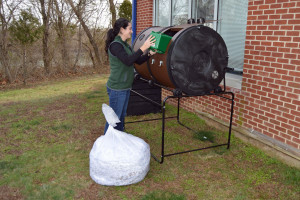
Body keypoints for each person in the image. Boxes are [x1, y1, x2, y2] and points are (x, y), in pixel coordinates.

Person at [104, 18, 156, 134]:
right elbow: (127, 61)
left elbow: (137, 60)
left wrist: (149, 54)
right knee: (114, 119)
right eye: (130, 28)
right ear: (122, 29)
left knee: (121, 117)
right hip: (117, 87)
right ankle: (107, 144)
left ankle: (118, 140)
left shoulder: (125, 45)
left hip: (125, 86)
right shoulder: (116, 46)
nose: (132, 31)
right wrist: (143, 46)